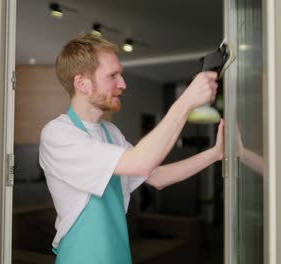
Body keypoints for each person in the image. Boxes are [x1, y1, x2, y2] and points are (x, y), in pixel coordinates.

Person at [39, 33, 224, 264]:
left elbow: (156, 176)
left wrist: (215, 153)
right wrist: (186, 101)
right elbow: (141, 162)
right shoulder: (58, 134)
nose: (123, 84)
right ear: (82, 83)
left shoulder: (111, 133)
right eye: (113, 75)